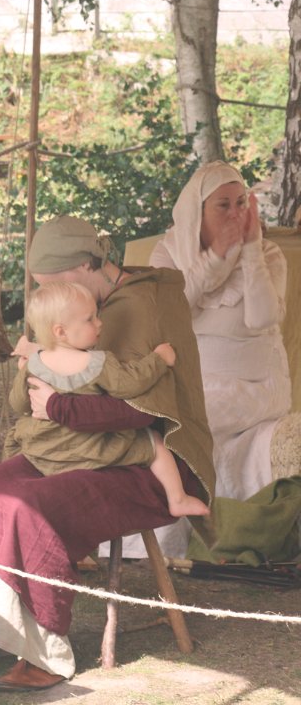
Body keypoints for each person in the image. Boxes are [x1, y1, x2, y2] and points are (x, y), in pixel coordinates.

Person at [0, 214, 215, 692]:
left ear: (85, 266)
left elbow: (142, 413)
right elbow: (34, 394)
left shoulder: (144, 304)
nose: (47, 296)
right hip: (73, 446)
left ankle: (44, 651)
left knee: (32, 505)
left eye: (51, 284)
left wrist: (58, 407)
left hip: (145, 458)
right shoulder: (73, 309)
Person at [115, 159, 296, 560]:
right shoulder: (168, 253)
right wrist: (215, 257)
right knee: (143, 421)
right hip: (193, 384)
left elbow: (262, 317)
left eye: (241, 203)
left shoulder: (268, 254)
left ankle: (157, 545)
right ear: (197, 211)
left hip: (256, 389)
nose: (235, 214)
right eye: (223, 205)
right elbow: (171, 310)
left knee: (171, 428)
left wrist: (249, 251)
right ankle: (142, 540)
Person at [8, 281, 210, 518]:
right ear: (60, 332)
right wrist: (158, 359)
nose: (99, 323)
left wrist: (23, 374)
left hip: (47, 450)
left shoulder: (33, 365)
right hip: (91, 449)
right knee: (153, 442)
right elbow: (129, 383)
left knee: (18, 435)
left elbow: (18, 403)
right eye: (90, 319)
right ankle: (178, 498)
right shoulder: (98, 363)